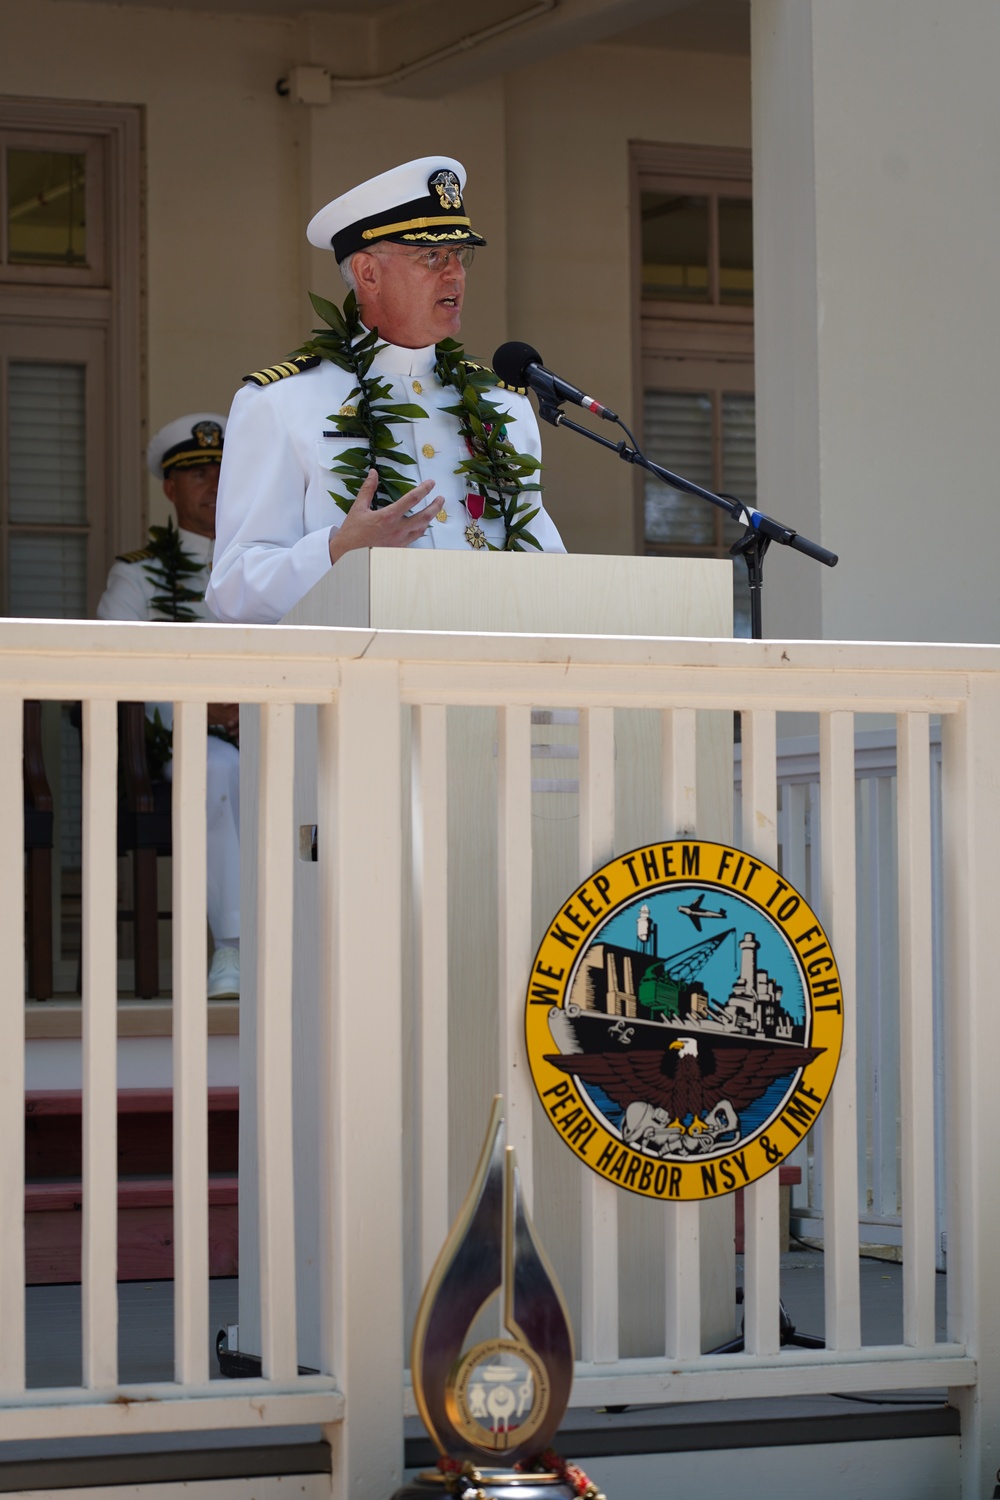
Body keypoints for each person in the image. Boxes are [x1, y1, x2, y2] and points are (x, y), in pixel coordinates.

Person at [206, 154, 565, 626]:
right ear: (367, 273)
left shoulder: (504, 406)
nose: (455, 273)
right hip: (354, 688)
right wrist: (337, 551)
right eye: (432, 256)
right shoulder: (279, 403)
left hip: (484, 688)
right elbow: (232, 588)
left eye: (460, 255)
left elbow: (549, 569)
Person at [97, 414, 241, 1000]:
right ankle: (234, 952)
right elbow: (113, 668)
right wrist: (201, 709)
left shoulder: (264, 563)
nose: (212, 482)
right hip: (178, 738)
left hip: (273, 727)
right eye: (197, 473)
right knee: (217, 768)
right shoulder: (140, 573)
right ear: (170, 489)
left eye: (222, 471)